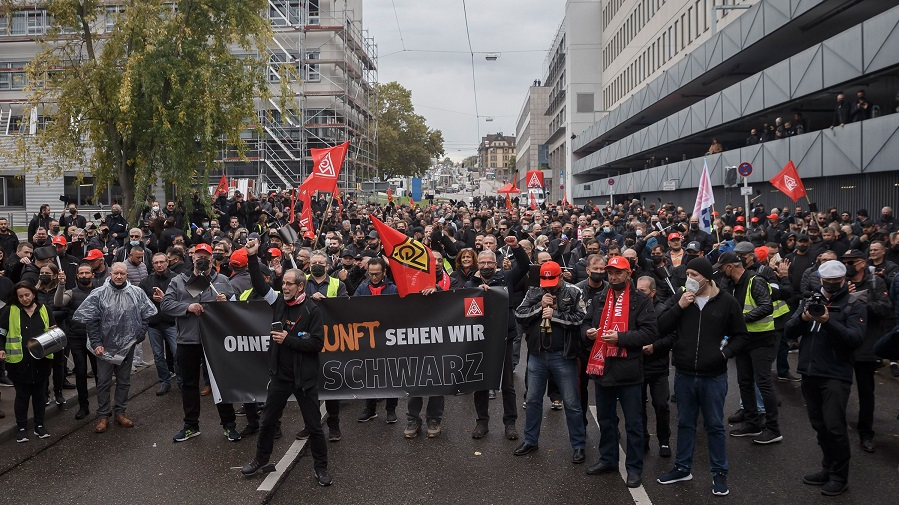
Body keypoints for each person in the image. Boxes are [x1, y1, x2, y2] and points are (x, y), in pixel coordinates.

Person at [239, 240, 331, 486]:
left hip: (305, 379)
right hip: (280, 376)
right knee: (268, 420)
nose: (284, 286)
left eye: (290, 283)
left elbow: (316, 344)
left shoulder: (313, 310)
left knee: (314, 426)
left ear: (301, 286)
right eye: (284, 283)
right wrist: (251, 256)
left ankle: (321, 468)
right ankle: (260, 459)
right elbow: (260, 283)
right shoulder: (278, 301)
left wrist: (288, 339)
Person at [655, 257, 749, 497]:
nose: (689, 279)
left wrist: (723, 355)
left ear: (707, 277)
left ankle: (719, 473)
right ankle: (682, 468)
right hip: (685, 374)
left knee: (715, 426)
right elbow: (661, 327)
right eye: (687, 274)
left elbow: (741, 336)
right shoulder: (682, 298)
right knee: (685, 423)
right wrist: (680, 307)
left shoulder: (726, 302)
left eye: (694, 275)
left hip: (713, 376)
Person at [784, 260, 865, 496]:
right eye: (826, 282)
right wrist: (804, 319)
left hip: (835, 375)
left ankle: (840, 477)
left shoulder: (853, 303)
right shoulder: (810, 301)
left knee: (835, 427)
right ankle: (827, 469)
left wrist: (828, 322)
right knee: (819, 425)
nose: (830, 286)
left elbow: (855, 339)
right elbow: (788, 330)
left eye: (835, 282)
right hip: (809, 372)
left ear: (843, 281)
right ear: (820, 280)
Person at [583, 257, 656, 488]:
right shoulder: (599, 298)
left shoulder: (641, 300)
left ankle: (634, 469)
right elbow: (585, 324)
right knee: (605, 420)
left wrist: (621, 338)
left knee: (633, 424)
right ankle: (608, 460)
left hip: (629, 371)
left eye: (618, 273)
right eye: (610, 273)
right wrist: (589, 333)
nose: (613, 277)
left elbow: (649, 333)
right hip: (602, 368)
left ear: (629, 274)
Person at [161, 243, 238, 442]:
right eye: (198, 256)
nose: (202, 259)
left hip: (215, 339)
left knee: (221, 382)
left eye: (206, 256)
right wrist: (188, 307)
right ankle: (191, 425)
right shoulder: (180, 280)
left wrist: (226, 303)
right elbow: (166, 304)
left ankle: (229, 425)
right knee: (189, 384)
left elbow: (236, 307)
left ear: (212, 259)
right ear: (192, 257)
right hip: (188, 339)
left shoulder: (222, 280)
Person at [513, 261, 587, 462]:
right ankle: (530, 440)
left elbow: (580, 318)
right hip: (537, 355)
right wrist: (539, 307)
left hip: (563, 355)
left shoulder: (573, 292)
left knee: (572, 403)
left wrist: (554, 314)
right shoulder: (534, 291)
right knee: (533, 400)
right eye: (545, 280)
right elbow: (519, 314)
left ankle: (579, 445)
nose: (548, 284)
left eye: (552, 280)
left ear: (561, 277)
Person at [73, 263, 157, 433]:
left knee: (124, 381)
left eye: (122, 273)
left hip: (128, 346)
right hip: (105, 348)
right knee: (103, 382)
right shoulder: (99, 294)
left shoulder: (136, 293)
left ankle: (120, 412)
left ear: (127, 275)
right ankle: (103, 415)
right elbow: (91, 321)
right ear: (110, 274)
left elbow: (145, 315)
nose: (119, 276)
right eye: (116, 273)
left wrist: (139, 335)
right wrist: (96, 343)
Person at [715, 251, 782, 445]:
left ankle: (773, 428)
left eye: (721, 269)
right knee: (744, 381)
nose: (720, 273)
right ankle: (752, 423)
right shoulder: (733, 285)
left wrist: (740, 320)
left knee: (763, 383)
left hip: (762, 340)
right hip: (744, 340)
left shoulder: (755, 281)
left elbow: (766, 306)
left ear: (730, 267)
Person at [467, 237, 529, 441]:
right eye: (482, 263)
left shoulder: (507, 278)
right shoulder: (470, 284)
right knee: (481, 383)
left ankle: (510, 423)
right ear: (478, 265)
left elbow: (525, 266)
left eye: (489, 263)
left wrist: (516, 247)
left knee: (508, 384)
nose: (486, 266)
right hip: (479, 340)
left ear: (496, 264)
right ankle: (481, 422)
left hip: (504, 337)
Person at [841, 249, 894, 453]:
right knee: (840, 390)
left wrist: (861, 302)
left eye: (851, 262)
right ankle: (838, 430)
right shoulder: (841, 281)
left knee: (866, 393)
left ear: (862, 263)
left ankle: (866, 433)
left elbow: (885, 308)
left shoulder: (875, 283)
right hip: (845, 345)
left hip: (865, 347)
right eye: (844, 262)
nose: (847, 265)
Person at [297, 251, 348, 442]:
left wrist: (326, 301)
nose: (317, 265)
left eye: (321, 262)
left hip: (331, 340)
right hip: (306, 339)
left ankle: (334, 425)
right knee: (308, 388)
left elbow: (345, 307)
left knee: (331, 386)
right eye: (314, 262)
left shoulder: (338, 284)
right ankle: (310, 425)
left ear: (327, 266)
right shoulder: (301, 282)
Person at [1, 281, 57, 442]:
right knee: (22, 396)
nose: (25, 299)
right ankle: (22, 427)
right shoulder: (9, 311)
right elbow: (1, 333)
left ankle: (39, 425)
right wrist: (1, 348)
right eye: (21, 296)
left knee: (40, 396)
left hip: (41, 361)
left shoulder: (44, 309)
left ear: (33, 294)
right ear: (16, 297)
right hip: (19, 362)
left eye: (27, 295)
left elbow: (53, 329)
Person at [353, 258, 400, 424]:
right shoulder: (362, 288)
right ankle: (370, 408)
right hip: (369, 339)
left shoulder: (393, 289)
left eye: (377, 274)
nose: (374, 277)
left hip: (388, 338)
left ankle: (391, 409)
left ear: (384, 272)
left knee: (390, 374)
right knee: (369, 374)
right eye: (371, 274)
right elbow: (352, 309)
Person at [54, 262, 98, 419]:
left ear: (93, 274)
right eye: (81, 273)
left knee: (100, 374)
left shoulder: (100, 291)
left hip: (96, 339)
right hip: (77, 338)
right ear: (77, 276)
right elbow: (58, 303)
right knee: (80, 373)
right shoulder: (71, 293)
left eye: (88, 273)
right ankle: (83, 406)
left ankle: (102, 407)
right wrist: (61, 285)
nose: (85, 276)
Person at [636, 276, 673, 458]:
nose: (639, 293)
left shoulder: (662, 310)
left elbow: (672, 337)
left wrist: (654, 347)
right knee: (638, 406)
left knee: (661, 405)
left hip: (658, 367)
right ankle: (642, 439)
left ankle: (664, 440)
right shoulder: (634, 308)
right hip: (638, 366)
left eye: (643, 290)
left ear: (653, 292)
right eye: (637, 289)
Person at [139, 253, 180, 395]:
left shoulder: (176, 279)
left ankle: (181, 381)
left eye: (162, 262)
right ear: (152, 264)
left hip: (171, 323)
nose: (159, 265)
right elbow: (141, 301)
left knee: (177, 354)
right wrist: (152, 298)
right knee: (158, 355)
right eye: (156, 262)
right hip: (154, 324)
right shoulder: (146, 281)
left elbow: (182, 298)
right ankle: (164, 381)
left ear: (167, 262)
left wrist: (165, 299)